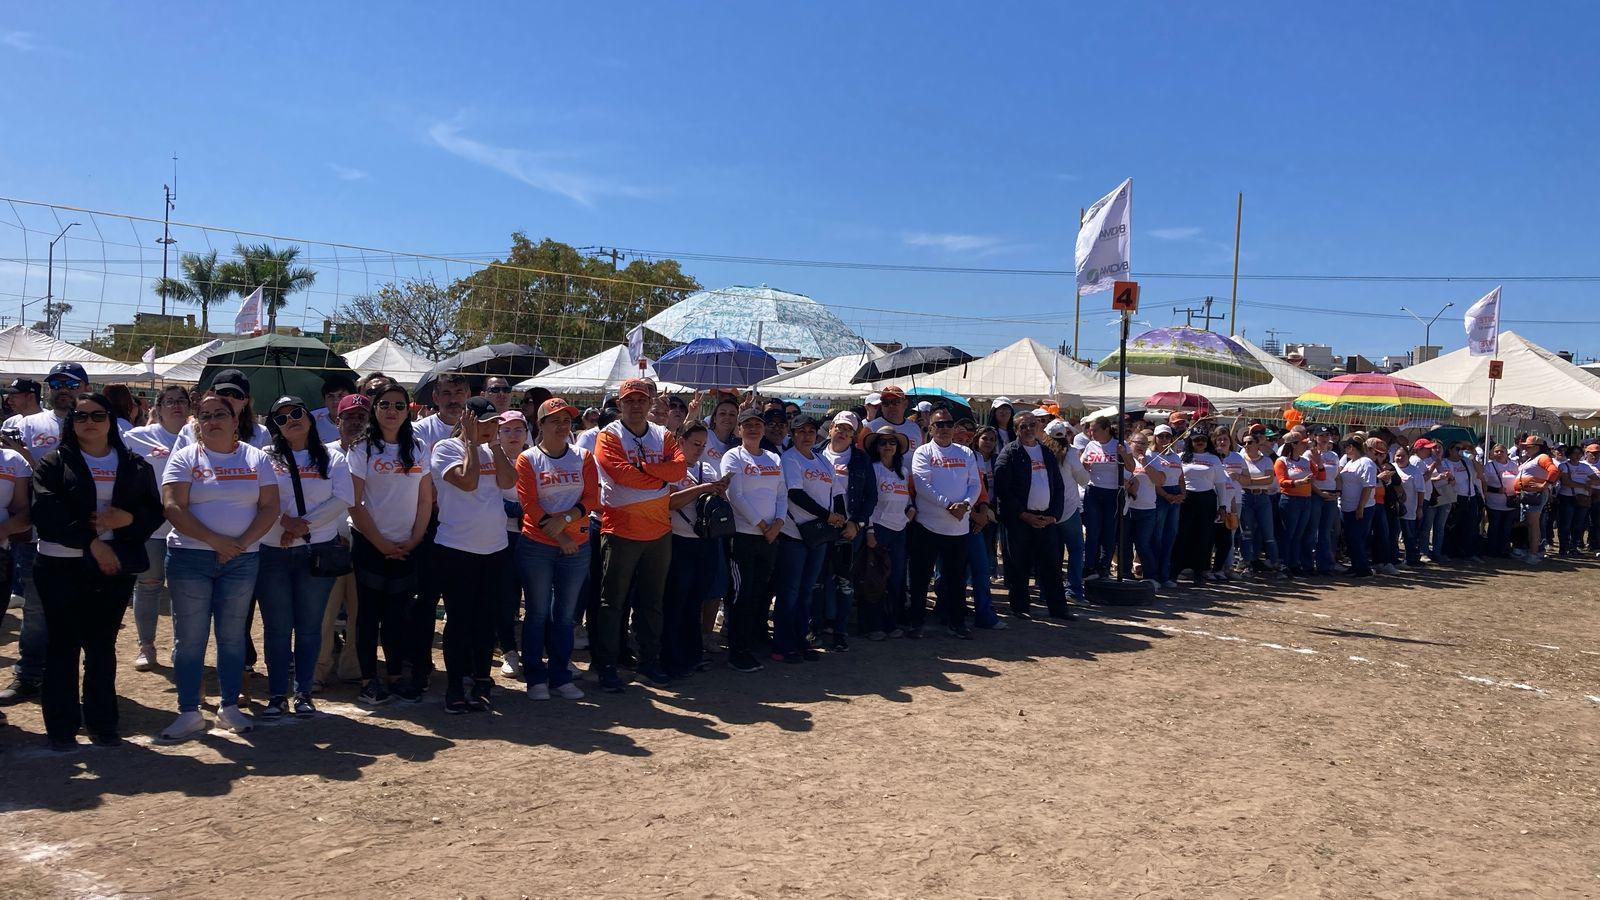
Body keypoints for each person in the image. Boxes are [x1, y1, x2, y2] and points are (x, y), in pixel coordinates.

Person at [32, 393, 164, 750]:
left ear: (111, 420)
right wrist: (92, 543)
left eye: (97, 415)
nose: (88, 421)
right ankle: (61, 729)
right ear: (70, 423)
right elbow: (46, 512)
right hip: (61, 564)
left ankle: (103, 725)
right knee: (63, 645)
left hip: (113, 566)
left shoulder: (134, 464)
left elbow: (154, 510)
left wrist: (129, 519)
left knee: (101, 646)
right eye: (80, 416)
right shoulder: (52, 463)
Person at [159, 391, 280, 740]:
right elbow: (173, 506)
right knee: (190, 639)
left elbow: (270, 506)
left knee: (231, 637)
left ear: (235, 421)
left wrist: (239, 545)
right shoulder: (183, 457)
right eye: (206, 416)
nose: (212, 421)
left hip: (242, 560)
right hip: (189, 558)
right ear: (197, 424)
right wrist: (216, 542)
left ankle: (229, 707)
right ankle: (188, 711)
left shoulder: (256, 458)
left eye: (220, 415)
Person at [254, 396, 354, 719]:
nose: (291, 421)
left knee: (310, 626)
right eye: (281, 419)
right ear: (275, 428)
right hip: (273, 551)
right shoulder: (264, 458)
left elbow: (344, 499)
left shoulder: (332, 456)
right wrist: (286, 522)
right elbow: (259, 497)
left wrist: (302, 526)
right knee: (277, 627)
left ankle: (304, 692)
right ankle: (276, 694)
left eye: (296, 413)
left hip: (316, 551)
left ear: (310, 418)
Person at [0, 362, 89, 706]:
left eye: (71, 382)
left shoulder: (98, 421)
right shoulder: (26, 424)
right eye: (56, 382)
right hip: (38, 535)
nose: (63, 387)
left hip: (86, 535)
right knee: (36, 611)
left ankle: (78, 679)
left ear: (84, 386)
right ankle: (29, 675)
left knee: (84, 613)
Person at [592, 377, 686, 692]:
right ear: (619, 405)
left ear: (650, 403)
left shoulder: (663, 434)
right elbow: (619, 474)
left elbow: (679, 471)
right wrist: (658, 478)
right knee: (612, 602)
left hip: (658, 532)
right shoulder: (608, 435)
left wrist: (646, 470)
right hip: (620, 529)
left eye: (641, 400)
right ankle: (606, 666)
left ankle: (648, 664)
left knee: (651, 603)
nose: (635, 405)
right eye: (629, 400)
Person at [346, 385, 433, 705]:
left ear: (407, 410)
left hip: (408, 544)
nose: (392, 410)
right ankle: (369, 679)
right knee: (368, 615)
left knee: (399, 615)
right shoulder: (361, 449)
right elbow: (354, 503)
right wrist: (381, 542)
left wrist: (414, 538)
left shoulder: (419, 447)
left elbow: (426, 499)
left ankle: (395, 675)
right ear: (375, 409)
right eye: (384, 404)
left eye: (398, 405)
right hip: (370, 544)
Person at [431, 396, 517, 712]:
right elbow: (467, 482)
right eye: (486, 422)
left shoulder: (492, 449)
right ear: (468, 421)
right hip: (456, 549)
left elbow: (510, 482)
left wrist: (494, 446)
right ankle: (455, 686)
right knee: (460, 621)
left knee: (486, 619)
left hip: (494, 548)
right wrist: (469, 443)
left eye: (496, 422)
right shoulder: (445, 449)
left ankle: (481, 680)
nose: (492, 428)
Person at [514, 398, 599, 699]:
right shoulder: (528, 459)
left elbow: (592, 498)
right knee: (537, 612)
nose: (563, 426)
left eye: (567, 420)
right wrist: (560, 535)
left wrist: (566, 520)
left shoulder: (583, 456)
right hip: (537, 545)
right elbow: (529, 504)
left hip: (576, 545)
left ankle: (561, 675)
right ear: (541, 425)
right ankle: (535, 677)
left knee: (564, 615)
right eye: (555, 420)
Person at [122, 384, 190, 671]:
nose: (176, 406)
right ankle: (146, 645)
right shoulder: (138, 437)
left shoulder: (197, 437)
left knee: (183, 591)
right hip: (151, 529)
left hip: (188, 528)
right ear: (158, 408)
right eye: (169, 401)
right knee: (148, 586)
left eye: (181, 401)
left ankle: (181, 648)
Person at [311, 392, 370, 690]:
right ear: (337, 420)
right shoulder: (323, 453)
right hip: (330, 541)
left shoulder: (375, 453)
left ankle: (352, 667)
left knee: (360, 614)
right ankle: (317, 670)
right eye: (349, 416)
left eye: (361, 416)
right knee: (323, 615)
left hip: (363, 541)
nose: (355, 422)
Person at [721, 409, 786, 671]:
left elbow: (782, 494)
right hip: (744, 536)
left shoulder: (773, 457)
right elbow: (735, 495)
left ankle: (754, 640)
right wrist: (762, 525)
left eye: (757, 425)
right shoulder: (733, 456)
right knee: (741, 595)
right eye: (746, 425)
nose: (753, 429)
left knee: (761, 593)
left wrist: (777, 524)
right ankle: (738, 650)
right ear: (738, 430)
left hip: (769, 537)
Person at [908, 407, 981, 639]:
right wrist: (949, 504)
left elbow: (975, 484)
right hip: (928, 526)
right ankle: (916, 622)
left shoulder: (966, 453)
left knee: (956, 580)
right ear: (930, 428)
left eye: (948, 424)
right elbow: (922, 485)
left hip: (958, 527)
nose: (945, 428)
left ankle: (957, 622)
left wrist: (967, 505)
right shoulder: (923, 452)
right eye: (939, 424)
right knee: (921, 578)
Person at [661, 421, 726, 678]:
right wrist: (703, 489)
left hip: (705, 540)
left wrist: (719, 491)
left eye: (703, 445)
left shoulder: (707, 467)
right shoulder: (671, 469)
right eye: (695, 444)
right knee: (676, 602)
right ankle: (672, 657)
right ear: (681, 442)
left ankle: (692, 654)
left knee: (695, 601)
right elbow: (669, 503)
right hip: (679, 541)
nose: (699, 450)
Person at [994, 412, 1066, 619]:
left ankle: (1059, 610)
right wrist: (1023, 514)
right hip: (1020, 521)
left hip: (1046, 519)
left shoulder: (1046, 452)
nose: (1028, 429)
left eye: (1032, 425)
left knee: (1052, 566)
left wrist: (1054, 515)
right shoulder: (1009, 453)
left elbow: (1058, 486)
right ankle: (1020, 608)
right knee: (1019, 567)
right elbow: (1003, 491)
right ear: (1016, 430)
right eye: (1023, 426)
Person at [816, 411, 873, 649]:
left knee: (844, 583)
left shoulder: (861, 459)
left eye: (848, 430)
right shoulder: (815, 454)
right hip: (818, 528)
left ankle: (840, 630)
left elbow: (871, 496)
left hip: (849, 529)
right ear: (830, 429)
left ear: (854, 436)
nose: (842, 433)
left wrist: (857, 524)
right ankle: (816, 628)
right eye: (838, 427)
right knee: (817, 582)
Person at [862, 426, 911, 640]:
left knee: (896, 579)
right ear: (877, 447)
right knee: (875, 579)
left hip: (899, 530)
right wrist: (870, 531)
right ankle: (873, 625)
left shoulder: (904, 472)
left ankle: (891, 623)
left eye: (892, 442)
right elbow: (869, 502)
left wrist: (909, 514)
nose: (888, 446)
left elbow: (907, 500)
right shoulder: (872, 469)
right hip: (879, 529)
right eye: (883, 442)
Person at [494, 410, 531, 680]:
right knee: (506, 599)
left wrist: (526, 510)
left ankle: (536, 653)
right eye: (506, 430)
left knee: (537, 599)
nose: (513, 435)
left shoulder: (536, 458)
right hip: (501, 538)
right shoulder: (491, 459)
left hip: (533, 537)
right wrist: (522, 509)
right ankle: (509, 651)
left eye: (518, 429)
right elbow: (490, 499)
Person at [1078, 417, 1134, 580]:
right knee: (1093, 530)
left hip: (1112, 492)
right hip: (1093, 490)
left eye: (1095, 430)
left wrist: (1123, 453)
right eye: (1090, 430)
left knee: (1109, 532)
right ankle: (1089, 566)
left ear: (1106, 429)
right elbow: (1083, 465)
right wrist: (1085, 465)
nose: (1091, 433)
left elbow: (1132, 468)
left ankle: (1104, 566)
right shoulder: (1091, 445)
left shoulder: (1118, 444)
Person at [173, 369, 272, 450]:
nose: (229, 398)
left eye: (237, 395)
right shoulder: (188, 431)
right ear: (211, 394)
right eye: (224, 392)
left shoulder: (261, 434)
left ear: (245, 402)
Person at [1174, 430, 1223, 585]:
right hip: (1186, 498)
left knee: (1204, 537)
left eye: (1203, 439)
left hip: (1207, 499)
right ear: (1190, 442)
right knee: (1183, 534)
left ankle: (1200, 571)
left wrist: (1223, 505)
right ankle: (1177, 569)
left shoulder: (1214, 458)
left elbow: (1220, 483)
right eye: (1196, 440)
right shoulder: (1182, 457)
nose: (1200, 442)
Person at [1120, 432, 1163, 587]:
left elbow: (1159, 481)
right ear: (1130, 443)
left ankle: (1151, 576)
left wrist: (1145, 463)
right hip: (1128, 508)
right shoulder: (1124, 461)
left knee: (1143, 544)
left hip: (1147, 509)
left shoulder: (1153, 460)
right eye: (1137, 443)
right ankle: (1125, 573)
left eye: (1144, 443)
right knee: (1125, 543)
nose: (1141, 446)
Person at [1146, 425, 1185, 589]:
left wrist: (1182, 493)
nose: (1164, 440)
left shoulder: (1175, 456)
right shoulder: (1151, 455)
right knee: (1157, 536)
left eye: (1167, 437)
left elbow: (1181, 477)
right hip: (1161, 496)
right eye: (1160, 436)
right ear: (1155, 437)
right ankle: (1153, 575)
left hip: (1175, 495)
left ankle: (1164, 575)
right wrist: (1166, 495)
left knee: (1170, 536)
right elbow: (1153, 481)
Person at [1512, 436, 1559, 565]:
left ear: (1537, 447)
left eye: (1528, 446)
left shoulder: (1542, 457)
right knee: (1530, 523)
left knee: (1533, 524)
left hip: (1534, 494)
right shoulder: (1532, 458)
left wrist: (1544, 485)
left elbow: (1554, 470)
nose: (1525, 448)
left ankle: (1533, 553)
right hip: (1528, 494)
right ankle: (1532, 550)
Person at [1336, 436, 1378, 578]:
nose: (1345, 450)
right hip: (1347, 506)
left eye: (1346, 447)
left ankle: (1363, 568)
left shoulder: (1366, 463)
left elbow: (1368, 487)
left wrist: (1360, 507)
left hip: (1361, 508)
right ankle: (1356, 565)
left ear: (1352, 447)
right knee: (1350, 538)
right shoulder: (1350, 462)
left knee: (1356, 538)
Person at [311, 375, 358, 445]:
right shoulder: (314, 427)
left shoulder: (363, 424)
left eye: (341, 396)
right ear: (325, 401)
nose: (335, 401)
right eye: (330, 396)